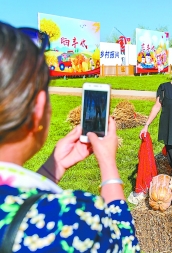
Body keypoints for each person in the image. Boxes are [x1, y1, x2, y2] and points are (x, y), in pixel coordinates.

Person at [0, 22, 140, 252]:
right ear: (38, 109)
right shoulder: (68, 219)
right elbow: (124, 244)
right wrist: (108, 165)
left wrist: (50, 169)